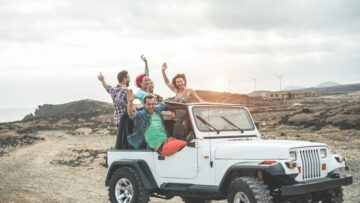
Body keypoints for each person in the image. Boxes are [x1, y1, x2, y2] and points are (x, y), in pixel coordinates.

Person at [127, 90, 187, 156]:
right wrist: (130, 102)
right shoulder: (142, 115)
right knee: (185, 144)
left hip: (167, 141)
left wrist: (176, 109)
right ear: (144, 104)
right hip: (159, 147)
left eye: (153, 104)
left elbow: (163, 104)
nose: (151, 106)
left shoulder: (157, 110)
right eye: (148, 104)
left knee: (188, 145)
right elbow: (131, 114)